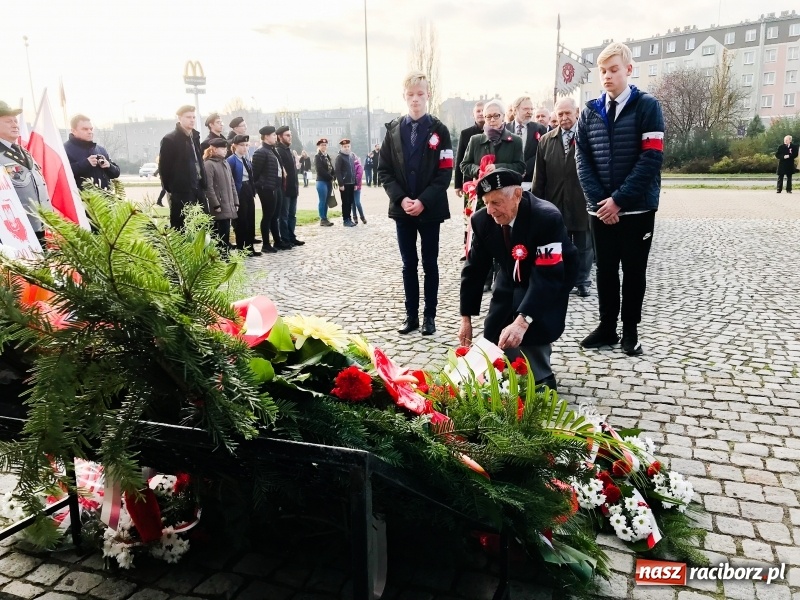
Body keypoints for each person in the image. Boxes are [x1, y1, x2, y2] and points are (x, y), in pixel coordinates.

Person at [575, 42, 665, 356]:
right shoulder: (589, 111)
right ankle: (607, 327)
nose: (607, 76)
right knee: (606, 270)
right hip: (599, 210)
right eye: (603, 71)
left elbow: (651, 159)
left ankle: (630, 330)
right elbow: (581, 158)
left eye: (614, 69)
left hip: (636, 208)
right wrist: (601, 201)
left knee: (634, 270)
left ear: (628, 69)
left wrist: (619, 201)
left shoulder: (648, 106)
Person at [458, 168, 577, 391]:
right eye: (486, 202)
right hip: (510, 273)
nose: (491, 210)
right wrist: (466, 318)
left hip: (552, 274)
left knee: (531, 328)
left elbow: (547, 277)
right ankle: (507, 367)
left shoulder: (546, 217)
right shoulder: (482, 220)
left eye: (497, 202)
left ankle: (540, 373)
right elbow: (474, 270)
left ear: (518, 196)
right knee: (493, 330)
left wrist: (522, 322)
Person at [377, 71, 453, 336]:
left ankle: (429, 316)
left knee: (429, 264)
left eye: (420, 94)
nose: (415, 100)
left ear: (428, 95)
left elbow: (445, 172)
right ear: (404, 97)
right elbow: (384, 170)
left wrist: (423, 200)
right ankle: (411, 316)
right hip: (402, 209)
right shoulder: (394, 129)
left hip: (429, 210)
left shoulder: (440, 130)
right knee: (408, 264)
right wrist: (401, 198)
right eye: (411, 95)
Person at [532, 98, 593, 298]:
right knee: (559, 243)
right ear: (554, 116)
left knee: (583, 244)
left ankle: (582, 280)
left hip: (581, 200)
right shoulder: (546, 140)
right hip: (554, 202)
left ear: (577, 112)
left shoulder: (588, 137)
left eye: (568, 113)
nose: (564, 118)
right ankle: (561, 279)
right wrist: (536, 205)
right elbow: (539, 177)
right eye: (560, 114)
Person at [0, 100, 53, 239]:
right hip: (14, 232)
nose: (15, 125)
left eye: (15, 121)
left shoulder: (22, 151)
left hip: (39, 225)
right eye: (8, 121)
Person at [158, 105, 208, 230]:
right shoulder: (170, 139)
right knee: (181, 226)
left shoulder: (195, 136)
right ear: (180, 118)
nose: (192, 120)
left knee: (203, 224)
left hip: (198, 187)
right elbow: (164, 167)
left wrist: (203, 183)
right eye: (188, 117)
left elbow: (199, 162)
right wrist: (171, 188)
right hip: (181, 190)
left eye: (194, 117)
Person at [460, 99, 525, 180]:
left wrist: (497, 168)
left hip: (507, 189)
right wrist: (478, 170)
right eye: (489, 116)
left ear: (503, 116)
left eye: (496, 115)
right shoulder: (475, 140)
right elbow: (464, 165)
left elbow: (520, 167)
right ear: (485, 118)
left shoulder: (515, 141)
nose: (492, 119)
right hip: (483, 189)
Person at [251, 125, 289, 252]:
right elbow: (255, 173)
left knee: (275, 216)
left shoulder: (272, 150)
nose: (275, 137)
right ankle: (266, 244)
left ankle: (277, 241)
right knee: (268, 216)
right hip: (267, 189)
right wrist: (260, 186)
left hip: (276, 187)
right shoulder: (260, 152)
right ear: (266, 136)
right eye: (273, 135)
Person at [63, 114, 120, 190]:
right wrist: (85, 164)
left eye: (91, 129)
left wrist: (108, 166)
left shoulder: (100, 149)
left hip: (105, 199)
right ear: (74, 131)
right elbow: (61, 174)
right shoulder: (64, 150)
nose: (90, 132)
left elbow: (116, 173)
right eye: (85, 129)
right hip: (81, 199)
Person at [202, 138, 238, 254]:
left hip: (228, 203)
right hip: (219, 205)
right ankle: (222, 254)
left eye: (225, 148)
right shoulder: (209, 164)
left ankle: (225, 253)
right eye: (222, 148)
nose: (225, 151)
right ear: (214, 149)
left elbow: (232, 184)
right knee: (221, 232)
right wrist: (215, 204)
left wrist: (235, 201)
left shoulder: (225, 163)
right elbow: (209, 187)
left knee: (226, 231)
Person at [227, 134, 260, 256]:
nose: (245, 148)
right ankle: (242, 248)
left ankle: (250, 247)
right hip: (239, 191)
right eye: (242, 145)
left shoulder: (246, 159)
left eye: (247, 145)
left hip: (248, 189)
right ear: (235, 146)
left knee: (251, 219)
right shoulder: (231, 160)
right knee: (242, 221)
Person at [505, 96, 547, 190]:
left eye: (531, 109)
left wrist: (524, 169)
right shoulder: (505, 129)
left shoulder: (540, 129)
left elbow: (543, 152)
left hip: (532, 180)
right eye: (526, 109)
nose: (530, 112)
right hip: (509, 180)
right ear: (515, 110)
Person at [275, 125, 304, 245]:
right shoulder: (278, 151)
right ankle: (285, 238)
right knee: (284, 216)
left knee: (292, 215)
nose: (290, 137)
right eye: (287, 135)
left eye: (290, 135)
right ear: (279, 137)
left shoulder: (289, 150)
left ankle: (292, 236)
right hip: (284, 189)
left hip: (293, 187)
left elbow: (292, 171)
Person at [454, 101, 485, 195]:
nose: (480, 113)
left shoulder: (494, 133)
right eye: (478, 111)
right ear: (473, 115)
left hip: (490, 180)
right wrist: (458, 185)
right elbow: (460, 160)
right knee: (470, 209)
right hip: (470, 182)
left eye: (483, 111)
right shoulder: (465, 134)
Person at [335, 138, 357, 227]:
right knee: (345, 202)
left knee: (350, 201)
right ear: (342, 147)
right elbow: (338, 171)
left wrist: (355, 183)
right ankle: (346, 219)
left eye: (348, 146)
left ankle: (349, 218)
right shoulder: (339, 157)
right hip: (344, 184)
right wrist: (341, 184)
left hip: (351, 183)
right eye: (345, 147)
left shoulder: (351, 156)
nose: (347, 148)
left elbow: (353, 171)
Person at [314, 138, 335, 226]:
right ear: (319, 146)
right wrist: (330, 177)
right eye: (322, 145)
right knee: (322, 200)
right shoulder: (317, 156)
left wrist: (334, 175)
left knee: (327, 200)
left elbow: (330, 167)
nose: (324, 146)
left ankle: (325, 217)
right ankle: (322, 218)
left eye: (325, 145)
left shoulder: (326, 156)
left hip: (328, 181)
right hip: (321, 181)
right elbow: (320, 170)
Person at [352, 152, 366, 224]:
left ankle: (362, 216)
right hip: (350, 186)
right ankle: (354, 217)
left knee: (357, 202)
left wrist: (356, 184)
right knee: (352, 203)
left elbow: (359, 176)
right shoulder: (349, 165)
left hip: (357, 186)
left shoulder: (358, 165)